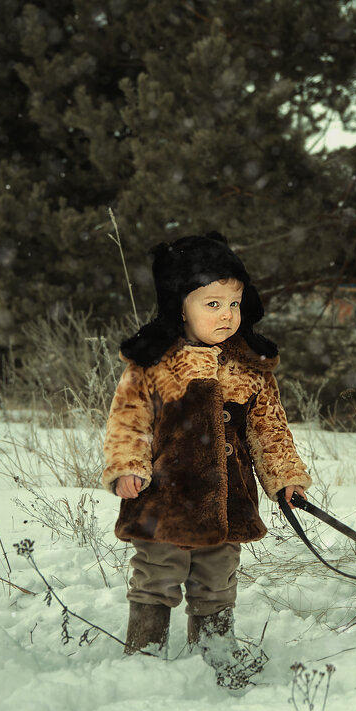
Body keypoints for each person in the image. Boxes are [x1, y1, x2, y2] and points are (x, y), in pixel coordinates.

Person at [100, 232, 310, 686]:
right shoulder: (154, 364)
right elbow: (128, 422)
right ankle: (145, 655)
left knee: (217, 581)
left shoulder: (249, 367)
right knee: (158, 574)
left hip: (227, 499)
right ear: (180, 304)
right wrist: (127, 468)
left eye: (233, 303)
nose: (227, 315)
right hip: (164, 500)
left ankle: (214, 656)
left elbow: (269, 429)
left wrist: (285, 478)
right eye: (212, 304)